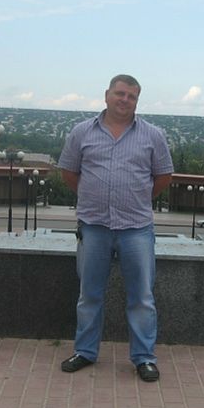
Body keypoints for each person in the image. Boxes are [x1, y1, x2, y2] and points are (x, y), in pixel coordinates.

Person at [57, 74, 173, 382]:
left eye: (131, 96)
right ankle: (85, 351)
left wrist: (138, 197)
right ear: (107, 95)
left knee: (142, 297)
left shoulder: (153, 135)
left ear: (137, 101)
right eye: (120, 93)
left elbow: (163, 176)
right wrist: (91, 195)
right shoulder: (82, 132)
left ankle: (144, 358)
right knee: (89, 294)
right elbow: (69, 172)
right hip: (94, 226)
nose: (124, 100)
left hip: (136, 228)